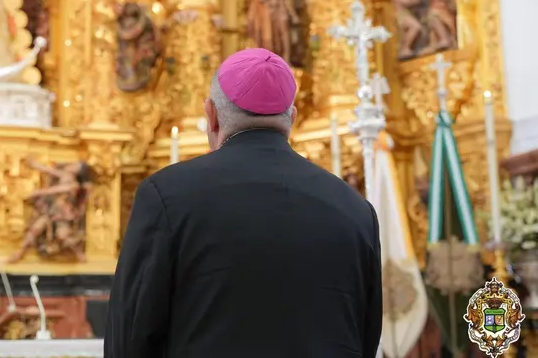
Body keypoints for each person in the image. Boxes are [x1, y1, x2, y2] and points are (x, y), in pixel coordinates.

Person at [105, 48, 382, 358]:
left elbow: (129, 336)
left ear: (211, 116)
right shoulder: (356, 210)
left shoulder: (165, 196)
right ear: (291, 118)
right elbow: (366, 335)